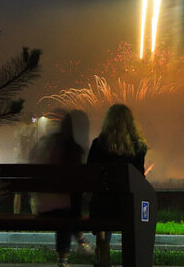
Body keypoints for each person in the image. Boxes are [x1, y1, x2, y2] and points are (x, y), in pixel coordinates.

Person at [29, 110, 93, 267]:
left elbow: (32, 161)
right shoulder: (73, 149)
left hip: (42, 207)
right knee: (68, 205)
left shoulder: (47, 142)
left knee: (64, 205)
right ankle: (78, 241)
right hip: (65, 209)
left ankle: (70, 251)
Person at [88, 104, 148, 267]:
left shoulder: (98, 145)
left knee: (101, 200)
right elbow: (140, 180)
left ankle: (102, 243)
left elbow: (90, 177)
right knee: (127, 203)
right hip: (127, 209)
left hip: (101, 208)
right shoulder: (139, 147)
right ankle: (130, 255)